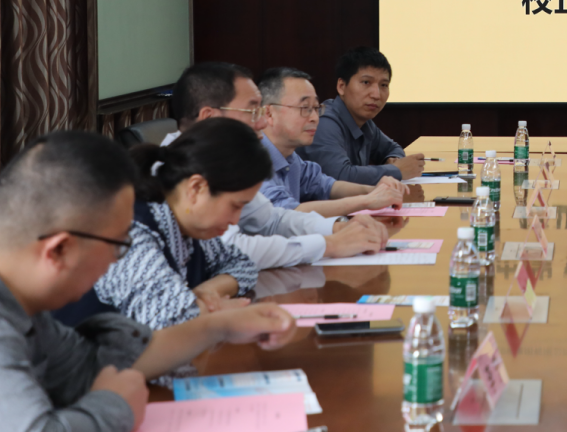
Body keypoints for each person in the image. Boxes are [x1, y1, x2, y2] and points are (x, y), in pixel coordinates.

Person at [0, 130, 295, 432]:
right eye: (119, 244)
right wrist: (114, 405)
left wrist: (220, 326)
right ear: (59, 249)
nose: (118, 260)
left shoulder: (15, 302)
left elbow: (92, 365)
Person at [169, 62, 387, 268]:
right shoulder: (173, 171)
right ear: (209, 117)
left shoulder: (221, 162)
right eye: (252, 112)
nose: (262, 122)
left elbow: (271, 220)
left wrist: (337, 228)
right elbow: (230, 250)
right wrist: (330, 244)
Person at [57, 118, 267, 330]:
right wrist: (214, 311)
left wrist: (208, 292)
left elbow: (242, 264)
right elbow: (168, 323)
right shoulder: (129, 233)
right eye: (235, 206)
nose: (235, 220)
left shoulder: (186, 226)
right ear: (196, 187)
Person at [258, 67, 407, 217]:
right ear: (269, 113)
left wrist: (375, 190)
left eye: (316, 108)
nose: (315, 118)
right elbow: (284, 215)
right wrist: (366, 201)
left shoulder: (290, 157)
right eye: (305, 108)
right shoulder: (251, 161)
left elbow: (326, 185)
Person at [300, 47, 426, 183]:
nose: (376, 94)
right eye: (366, 82)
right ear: (341, 86)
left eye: (384, 85)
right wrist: (396, 170)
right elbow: (339, 177)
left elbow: (392, 148)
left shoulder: (364, 122)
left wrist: (392, 160)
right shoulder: (324, 122)